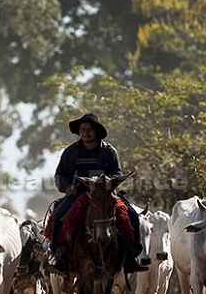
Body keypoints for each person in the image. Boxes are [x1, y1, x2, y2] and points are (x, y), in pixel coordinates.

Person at [47, 112, 148, 275]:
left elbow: (117, 172)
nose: (86, 133)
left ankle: (131, 257)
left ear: (97, 132)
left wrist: (108, 181)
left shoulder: (109, 151)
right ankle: (61, 257)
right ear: (79, 131)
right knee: (58, 217)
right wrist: (66, 187)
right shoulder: (70, 152)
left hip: (105, 194)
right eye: (83, 129)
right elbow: (60, 175)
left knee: (132, 216)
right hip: (77, 194)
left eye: (90, 129)